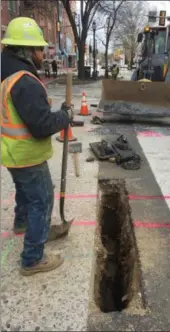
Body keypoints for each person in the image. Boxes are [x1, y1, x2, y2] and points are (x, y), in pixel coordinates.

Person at [1, 17, 73, 276]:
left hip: (11, 152)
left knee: (25, 193)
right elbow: (41, 125)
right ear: (27, 50)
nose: (44, 54)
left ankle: (23, 224)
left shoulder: (5, 72)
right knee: (41, 200)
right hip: (27, 154)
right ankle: (32, 258)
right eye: (41, 49)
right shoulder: (24, 81)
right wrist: (65, 116)